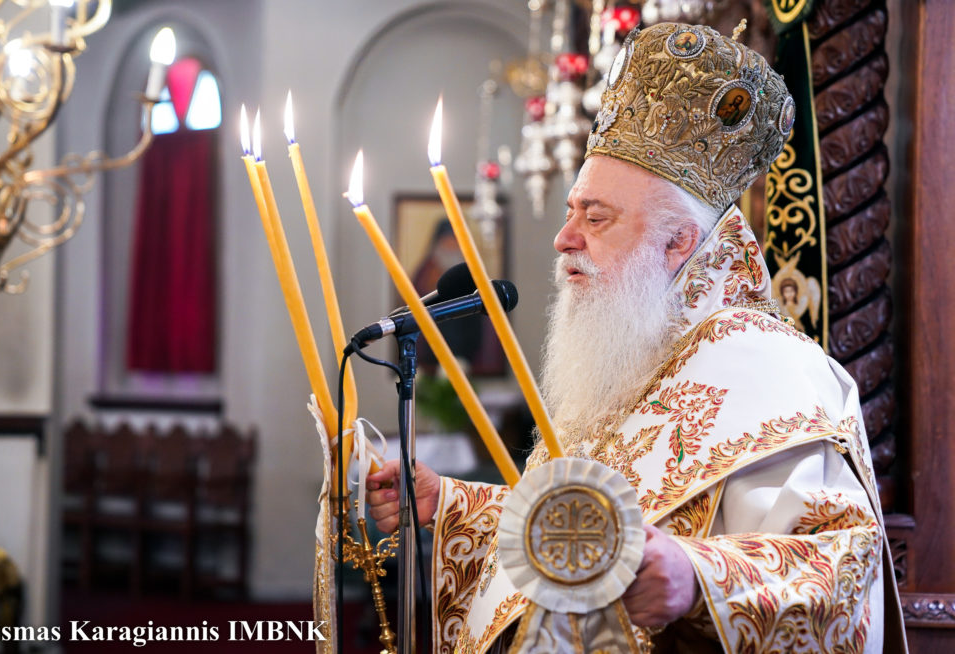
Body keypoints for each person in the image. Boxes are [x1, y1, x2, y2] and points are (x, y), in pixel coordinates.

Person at [367, 21, 906, 653]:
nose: (564, 239)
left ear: (677, 242)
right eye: (571, 213)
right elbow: (574, 538)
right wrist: (453, 504)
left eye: (596, 217)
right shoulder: (626, 358)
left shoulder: (773, 371)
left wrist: (697, 578)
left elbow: (841, 573)